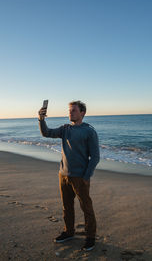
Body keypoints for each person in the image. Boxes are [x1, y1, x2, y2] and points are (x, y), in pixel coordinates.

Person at [38, 100, 100, 251]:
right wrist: (41, 119)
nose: (70, 113)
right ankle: (69, 232)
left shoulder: (89, 131)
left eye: (73, 110)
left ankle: (90, 238)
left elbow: (95, 157)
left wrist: (86, 176)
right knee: (67, 206)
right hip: (63, 174)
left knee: (87, 208)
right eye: (69, 111)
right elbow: (46, 133)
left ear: (82, 113)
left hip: (80, 177)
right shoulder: (65, 129)